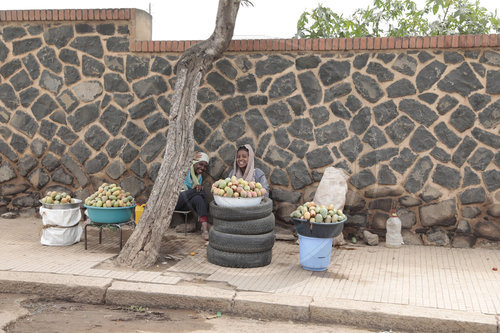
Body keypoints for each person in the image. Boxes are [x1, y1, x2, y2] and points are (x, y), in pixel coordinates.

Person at [175, 151, 210, 240]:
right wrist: (189, 157)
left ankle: (204, 228)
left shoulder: (199, 177)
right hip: (176, 200)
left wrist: (196, 190)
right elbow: (177, 162)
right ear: (194, 162)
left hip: (186, 203)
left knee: (198, 197)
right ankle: (205, 222)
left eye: (205, 166)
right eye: (201, 164)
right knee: (199, 191)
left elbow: (193, 195)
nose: (203, 168)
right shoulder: (185, 169)